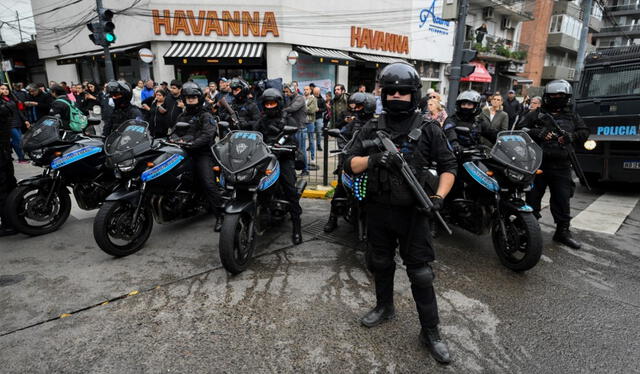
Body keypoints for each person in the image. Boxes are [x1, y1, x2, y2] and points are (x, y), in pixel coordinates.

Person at [343, 63, 456, 364]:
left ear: (413, 94)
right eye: (390, 91)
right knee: (379, 263)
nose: (396, 96)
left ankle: (430, 332)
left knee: (420, 273)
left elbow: (449, 167)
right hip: (378, 211)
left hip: (415, 213)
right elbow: (348, 163)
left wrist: (438, 198)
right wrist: (375, 159)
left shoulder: (430, 128)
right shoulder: (370, 127)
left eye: (402, 92)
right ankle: (385, 307)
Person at [521, 80, 589, 249]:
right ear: (547, 96)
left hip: (562, 166)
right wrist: (539, 133)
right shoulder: (536, 114)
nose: (557, 98)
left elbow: (584, 132)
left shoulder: (572, 116)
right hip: (538, 164)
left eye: (560, 96)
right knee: (532, 199)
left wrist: (570, 137)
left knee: (562, 200)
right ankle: (528, 231)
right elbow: (520, 130)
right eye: (553, 95)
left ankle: (562, 232)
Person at [253, 88, 303, 244]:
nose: (269, 106)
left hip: (283, 158)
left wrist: (280, 145)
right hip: (264, 159)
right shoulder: (261, 121)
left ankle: (296, 225)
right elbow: (254, 136)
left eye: (272, 103)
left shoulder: (288, 120)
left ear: (279, 103)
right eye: (266, 104)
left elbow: (294, 141)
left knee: (290, 189)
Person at [173, 82, 224, 231]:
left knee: (208, 184)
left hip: (202, 153)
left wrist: (192, 143)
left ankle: (220, 216)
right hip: (184, 153)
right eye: (188, 97)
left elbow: (208, 135)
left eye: (193, 97)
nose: (190, 100)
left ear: (199, 98)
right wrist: (176, 140)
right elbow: (175, 131)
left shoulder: (205, 115)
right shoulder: (182, 115)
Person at [324, 92, 376, 233]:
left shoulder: (377, 124)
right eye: (355, 106)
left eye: (359, 106)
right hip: (352, 161)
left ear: (368, 107)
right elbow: (342, 134)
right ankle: (333, 218)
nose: (355, 109)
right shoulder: (354, 123)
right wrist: (343, 148)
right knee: (340, 188)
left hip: (369, 162)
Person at [0, 94, 18, 236]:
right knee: (9, 186)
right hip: (5, 152)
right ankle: (16, 218)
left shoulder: (3, 107)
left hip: (2, 154)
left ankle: (9, 224)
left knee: (3, 190)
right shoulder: (4, 105)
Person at [283, 83, 308, 176]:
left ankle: (305, 169)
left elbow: (293, 108)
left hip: (300, 128)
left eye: (287, 92)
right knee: (293, 150)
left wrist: (283, 110)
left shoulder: (300, 98)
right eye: (284, 92)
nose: (285, 94)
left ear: (292, 91)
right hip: (292, 128)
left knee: (301, 150)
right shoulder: (289, 98)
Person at [0, 84, 30, 163]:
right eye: (2, 89)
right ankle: (21, 158)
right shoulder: (1, 100)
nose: (5, 90)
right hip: (9, 124)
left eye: (6, 89)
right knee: (17, 140)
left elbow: (18, 111)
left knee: (19, 141)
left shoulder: (11, 98)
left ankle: (20, 156)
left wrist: (25, 120)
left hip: (17, 122)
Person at [303, 86, 318, 160]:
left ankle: (312, 157)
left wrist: (302, 107)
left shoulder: (313, 99)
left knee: (311, 140)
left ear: (310, 90)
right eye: (304, 89)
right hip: (302, 122)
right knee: (302, 140)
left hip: (310, 122)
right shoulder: (301, 98)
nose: (305, 91)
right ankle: (302, 157)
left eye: (307, 89)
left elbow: (312, 110)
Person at [313, 87, 325, 151]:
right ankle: (311, 145)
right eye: (315, 92)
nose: (316, 93)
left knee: (319, 132)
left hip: (319, 117)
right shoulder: (310, 97)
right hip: (311, 117)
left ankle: (318, 145)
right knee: (311, 132)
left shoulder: (322, 99)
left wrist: (319, 110)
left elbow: (324, 109)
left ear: (319, 92)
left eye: (317, 92)